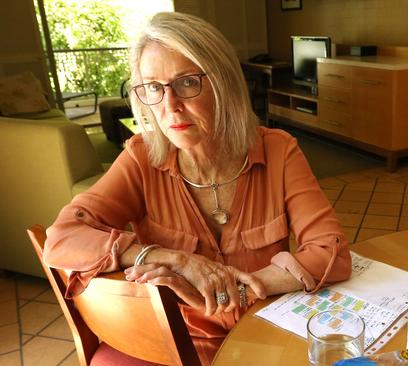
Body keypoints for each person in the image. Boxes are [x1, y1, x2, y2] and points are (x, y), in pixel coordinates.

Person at [44, 12, 351, 365]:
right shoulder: (141, 158)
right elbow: (61, 238)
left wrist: (238, 288)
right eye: (154, 88)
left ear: (224, 84)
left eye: (187, 82)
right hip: (179, 344)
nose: (170, 105)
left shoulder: (279, 150)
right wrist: (171, 259)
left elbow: (333, 252)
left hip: (264, 333)